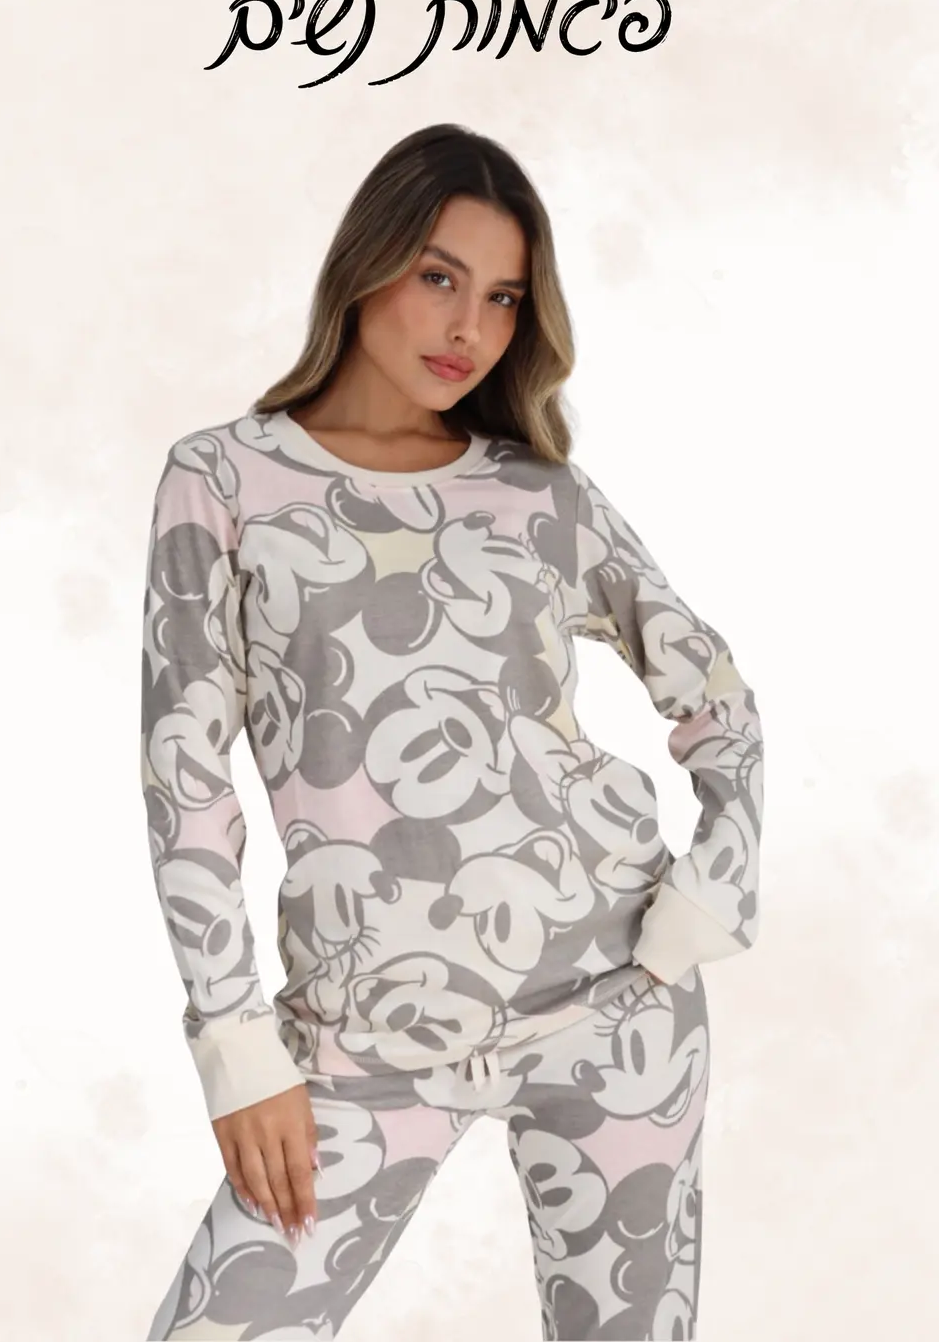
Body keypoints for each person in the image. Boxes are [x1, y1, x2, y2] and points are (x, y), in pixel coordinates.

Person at [139, 123, 764, 1340]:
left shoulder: (538, 493)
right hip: (361, 1045)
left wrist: (707, 894)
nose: (468, 326)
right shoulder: (223, 480)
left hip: (614, 1010)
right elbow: (183, 773)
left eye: (502, 297)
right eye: (438, 275)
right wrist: (235, 1039)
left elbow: (718, 692)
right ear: (365, 261)